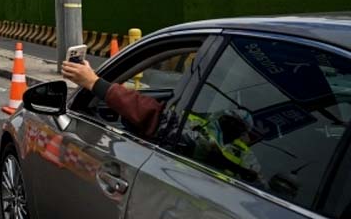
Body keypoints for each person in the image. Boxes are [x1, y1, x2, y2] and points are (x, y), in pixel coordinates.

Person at [61, 60, 260, 181]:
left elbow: (155, 118)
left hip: (180, 207)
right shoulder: (249, 157)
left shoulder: (201, 132)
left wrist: (94, 83)